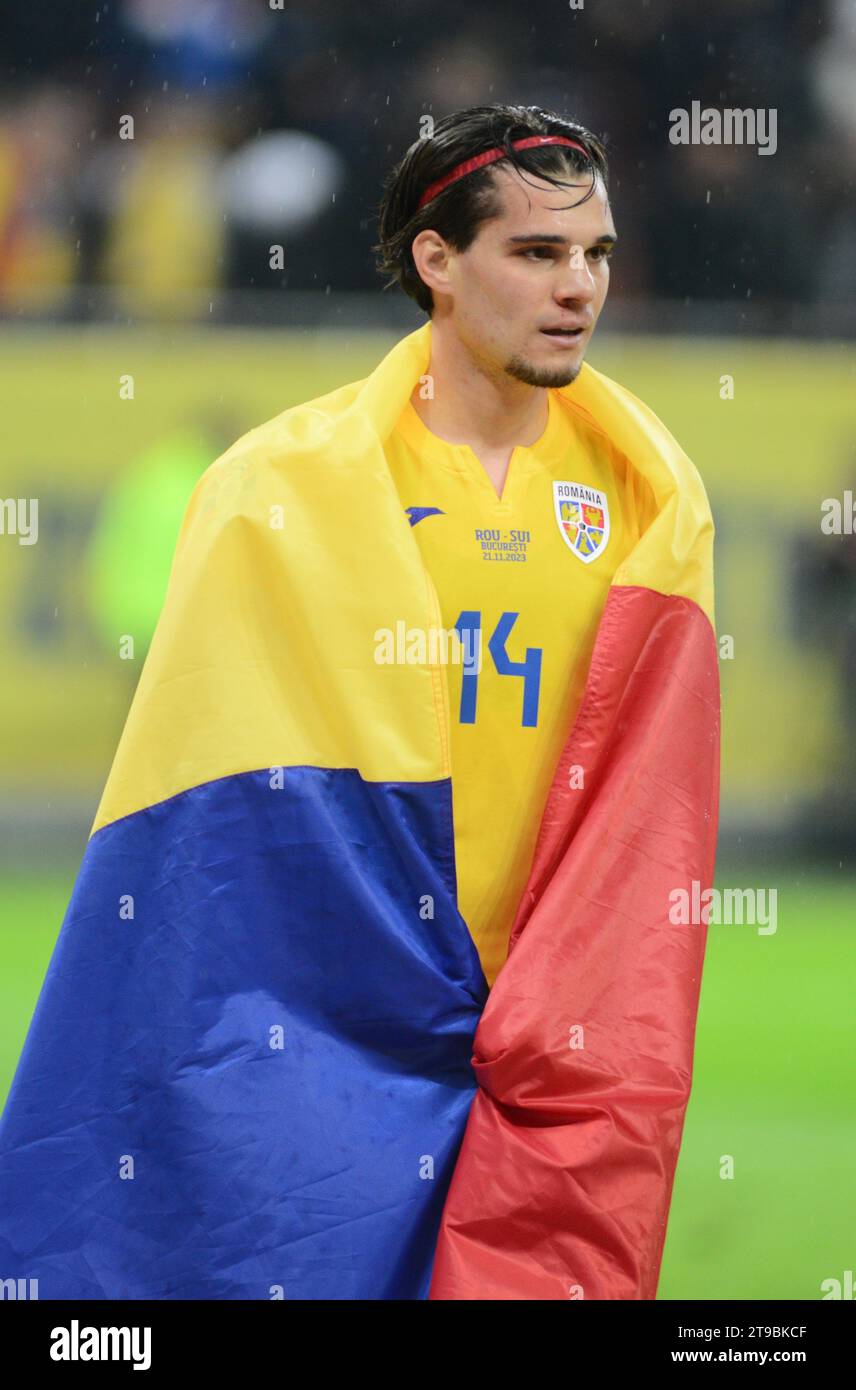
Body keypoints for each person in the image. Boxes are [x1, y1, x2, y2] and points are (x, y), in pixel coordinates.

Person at [0, 104, 720, 1301]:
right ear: (438, 261)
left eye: (593, 253)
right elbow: (208, 815)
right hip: (332, 1010)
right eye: (535, 253)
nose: (577, 286)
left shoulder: (649, 501)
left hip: (552, 1019)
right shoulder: (284, 488)